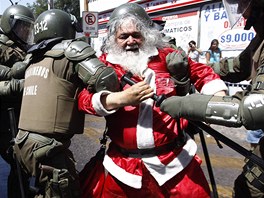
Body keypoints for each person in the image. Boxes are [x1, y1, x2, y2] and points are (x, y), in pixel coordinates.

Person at [78, 3, 227, 197]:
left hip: (176, 165)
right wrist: (119, 99)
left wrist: (218, 101)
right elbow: (83, 99)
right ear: (114, 38)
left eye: (136, 35)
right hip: (124, 170)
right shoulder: (104, 65)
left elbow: (203, 73)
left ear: (146, 34)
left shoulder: (166, 56)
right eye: (123, 36)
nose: (130, 41)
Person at [160, 0, 264, 197]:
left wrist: (182, 105)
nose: (242, 12)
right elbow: (236, 66)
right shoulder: (260, 39)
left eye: (245, 4)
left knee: (249, 190)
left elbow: (252, 110)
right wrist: (191, 68)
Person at [13, 9, 119, 198]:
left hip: (23, 143)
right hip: (50, 149)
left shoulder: (32, 57)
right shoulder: (71, 50)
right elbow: (106, 81)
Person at [0, 4, 34, 198]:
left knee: (22, 167)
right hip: (6, 118)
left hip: (19, 116)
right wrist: (16, 84)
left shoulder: (21, 47)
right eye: (21, 26)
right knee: (19, 163)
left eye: (27, 27)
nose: (25, 31)